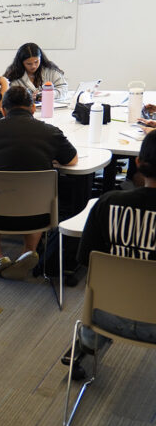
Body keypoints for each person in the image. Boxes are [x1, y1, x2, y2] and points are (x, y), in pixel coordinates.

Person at [65, 130, 156, 379]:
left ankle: (86, 346)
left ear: (138, 163)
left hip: (106, 318)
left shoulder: (106, 203)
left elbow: (86, 261)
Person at [0, 86, 78, 279]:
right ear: (33, 108)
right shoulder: (50, 132)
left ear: (3, 110)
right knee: (37, 195)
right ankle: (28, 250)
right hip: (39, 216)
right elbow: (72, 160)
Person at [1, 43, 68, 99]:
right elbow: (8, 97)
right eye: (29, 64)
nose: (33, 66)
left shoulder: (50, 70)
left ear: (41, 58)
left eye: (36, 62)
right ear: (21, 63)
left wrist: (49, 94)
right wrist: (27, 97)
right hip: (24, 111)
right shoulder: (13, 75)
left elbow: (63, 89)